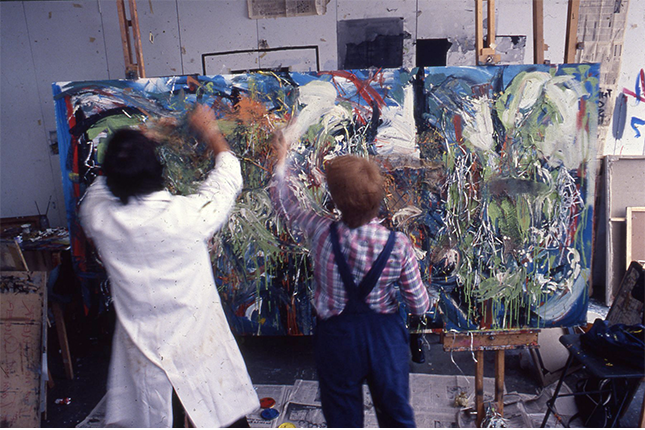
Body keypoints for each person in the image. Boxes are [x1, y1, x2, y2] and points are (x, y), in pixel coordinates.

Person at [79, 104, 260, 428]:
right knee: (218, 414)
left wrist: (141, 139)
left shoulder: (99, 216)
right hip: (199, 351)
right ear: (159, 171)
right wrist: (211, 132)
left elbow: (101, 185)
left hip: (144, 362)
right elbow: (228, 178)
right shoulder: (186, 217)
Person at [270, 130, 432, 428]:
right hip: (384, 340)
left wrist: (282, 158)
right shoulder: (398, 245)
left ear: (335, 200)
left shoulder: (320, 231)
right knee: (396, 412)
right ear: (379, 200)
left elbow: (285, 204)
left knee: (342, 415)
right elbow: (419, 305)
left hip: (337, 340)